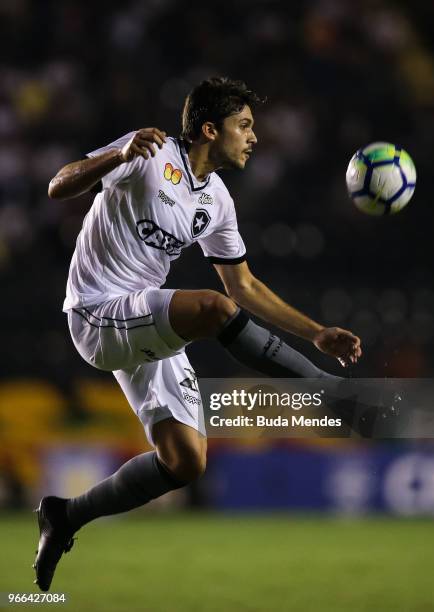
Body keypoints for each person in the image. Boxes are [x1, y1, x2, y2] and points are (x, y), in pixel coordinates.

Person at [33, 77, 361, 591]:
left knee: (185, 462)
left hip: (142, 316)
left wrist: (316, 331)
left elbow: (244, 285)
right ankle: (325, 390)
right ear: (210, 128)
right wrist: (115, 155)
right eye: (245, 126)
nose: (254, 137)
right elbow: (59, 184)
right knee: (210, 308)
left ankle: (65, 515)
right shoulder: (148, 151)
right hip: (96, 312)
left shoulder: (217, 200)